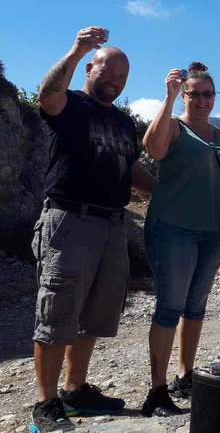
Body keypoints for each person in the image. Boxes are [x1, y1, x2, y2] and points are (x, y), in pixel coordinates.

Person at [30, 27, 155, 432]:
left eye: (123, 77)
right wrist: (76, 47)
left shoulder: (123, 121)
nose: (115, 81)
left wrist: (172, 191)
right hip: (70, 220)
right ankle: (45, 403)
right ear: (90, 67)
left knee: (95, 316)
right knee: (57, 314)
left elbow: (130, 168)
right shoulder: (71, 104)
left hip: (112, 225)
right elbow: (46, 96)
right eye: (109, 72)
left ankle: (75, 389)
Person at [140, 62, 220, 416]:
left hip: (214, 231)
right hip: (173, 228)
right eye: (193, 94)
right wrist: (167, 98)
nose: (201, 99)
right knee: (169, 308)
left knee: (195, 309)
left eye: (208, 94)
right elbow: (155, 148)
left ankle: (184, 377)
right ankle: (157, 392)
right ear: (184, 95)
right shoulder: (175, 126)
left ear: (214, 95)